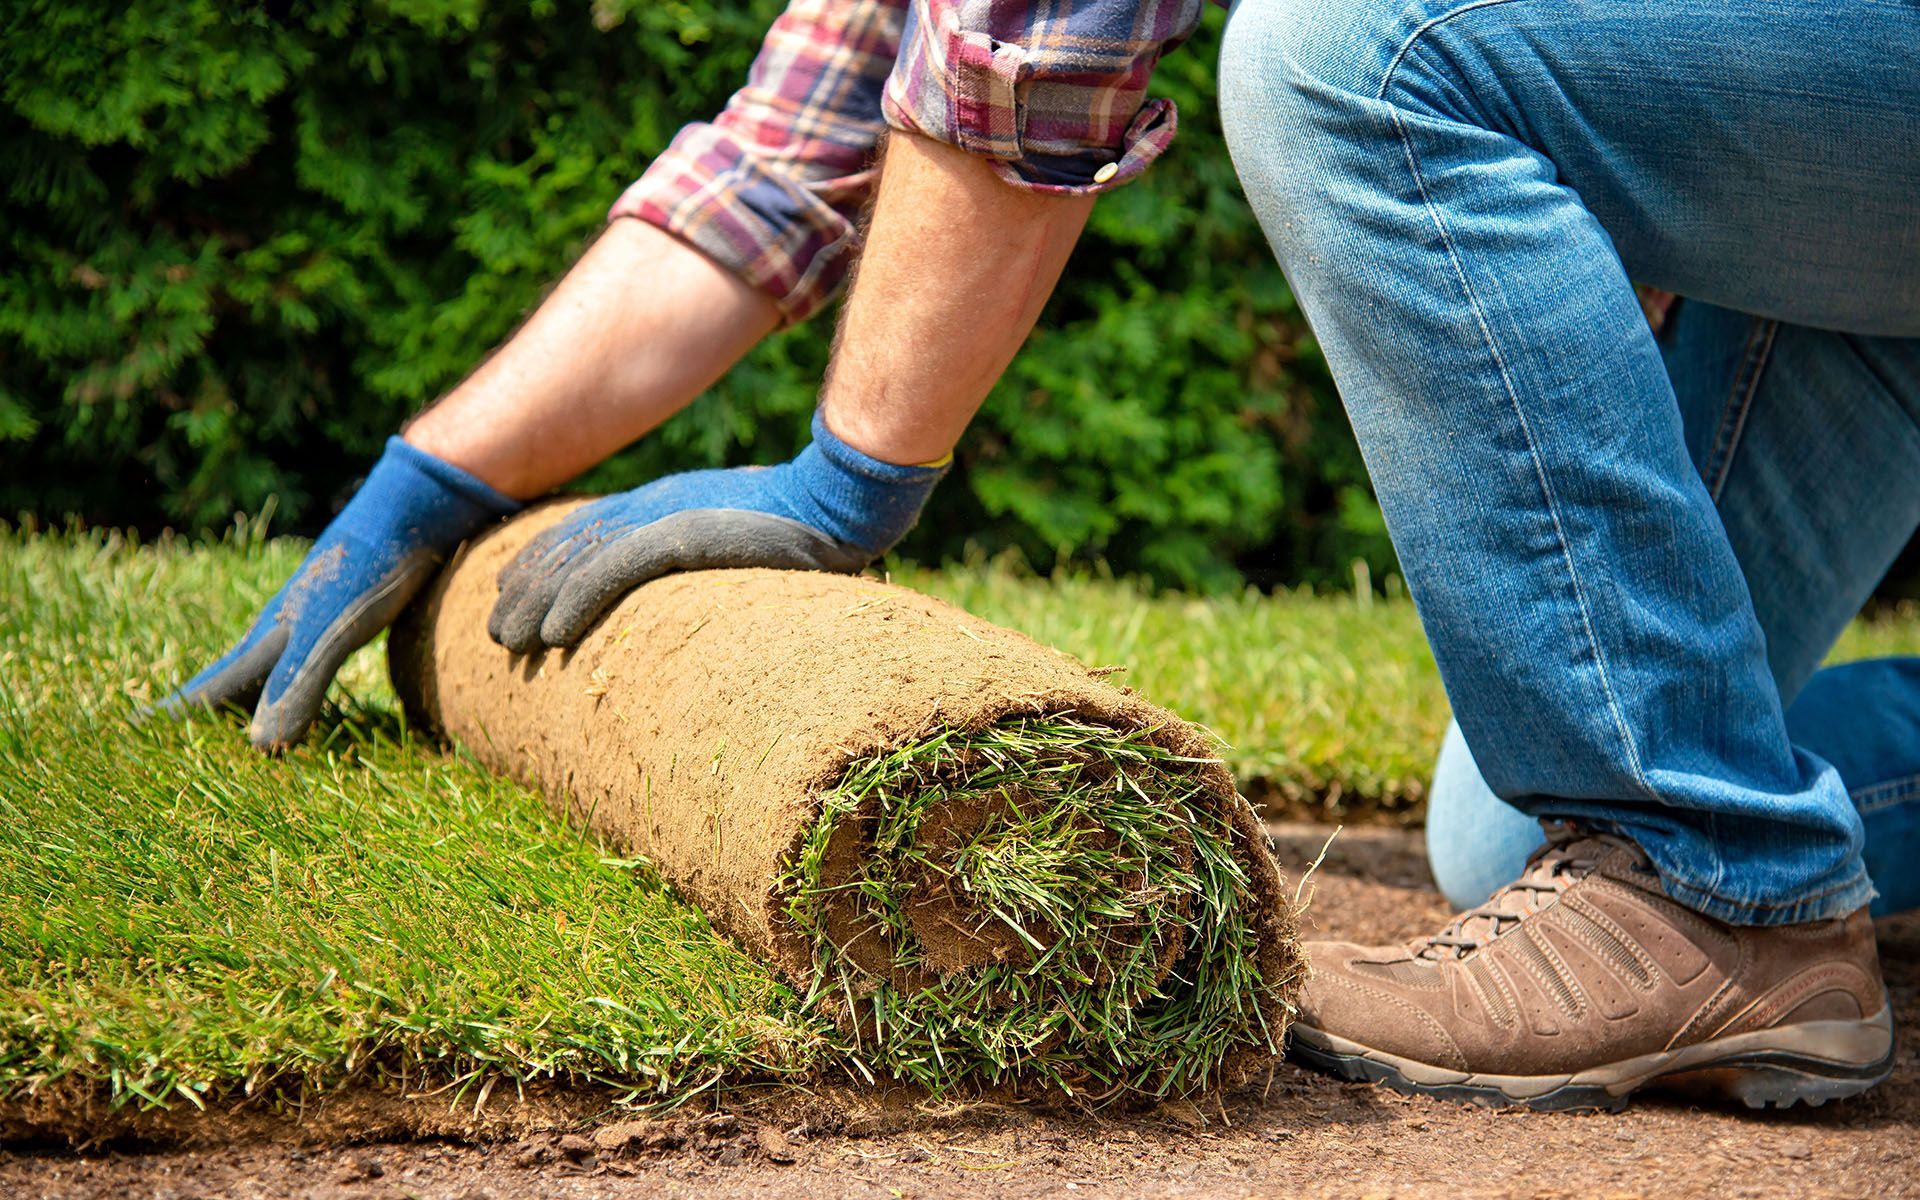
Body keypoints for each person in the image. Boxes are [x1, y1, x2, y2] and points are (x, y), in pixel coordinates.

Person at [161, 0, 1917, 1111]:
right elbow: (798, 146)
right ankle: (1703, 852)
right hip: (1837, 226)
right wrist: (421, 486)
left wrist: (855, 481)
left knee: (1354, 60)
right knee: (1510, 831)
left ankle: (1718, 896)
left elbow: (1040, 38)